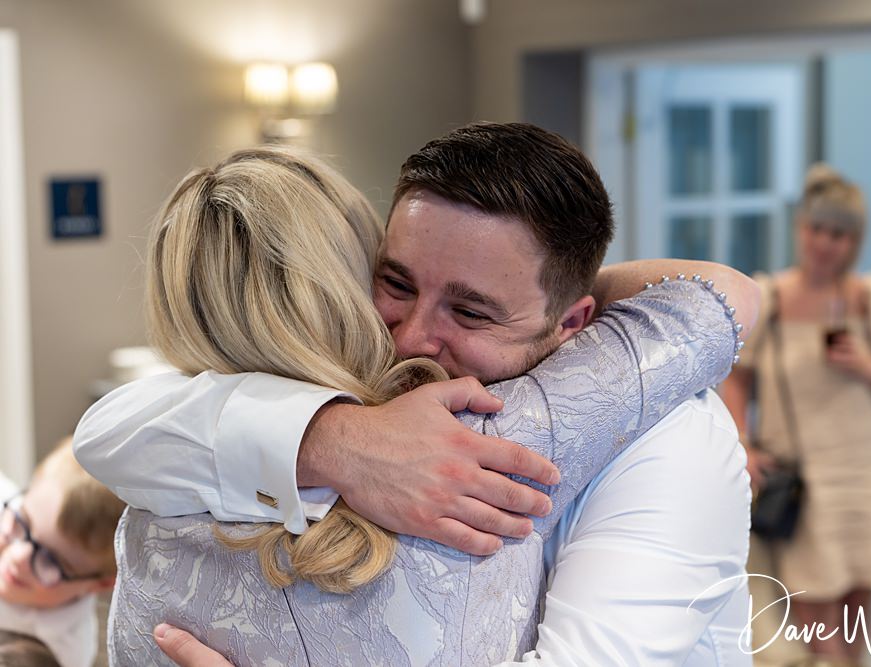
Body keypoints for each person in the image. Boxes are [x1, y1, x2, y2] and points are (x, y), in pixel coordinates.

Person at [77, 125, 760, 663]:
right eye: (396, 283)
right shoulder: (366, 408)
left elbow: (725, 301)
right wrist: (332, 442)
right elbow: (107, 430)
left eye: (472, 312)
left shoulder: (670, 433)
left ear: (573, 322)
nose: (411, 336)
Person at [721, 164, 871, 662]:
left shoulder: (869, 299)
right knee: (816, 627)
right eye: (818, 229)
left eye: (839, 234)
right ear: (801, 229)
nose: (826, 243)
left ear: (855, 241)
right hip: (804, 481)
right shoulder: (770, 299)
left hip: (867, 473)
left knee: (855, 627)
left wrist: (867, 365)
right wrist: (743, 441)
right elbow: (737, 376)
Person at [0, 440, 125, 667]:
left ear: (100, 584)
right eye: (22, 522)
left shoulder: (61, 653)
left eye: (50, 561)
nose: (18, 557)